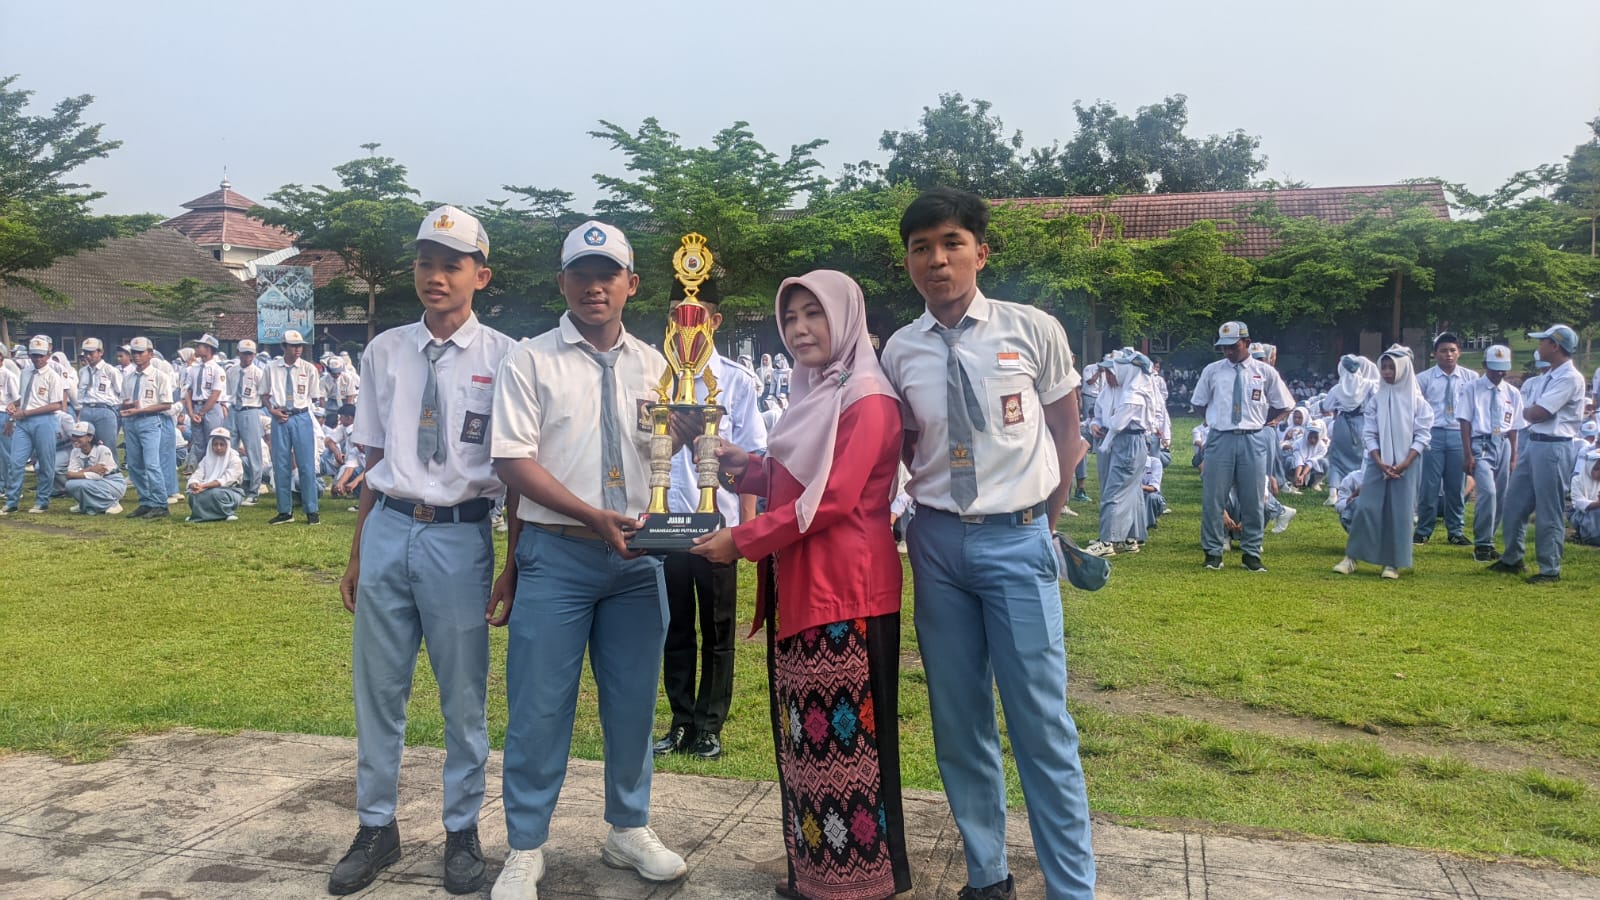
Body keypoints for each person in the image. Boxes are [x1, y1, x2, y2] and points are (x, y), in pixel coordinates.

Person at [880, 188, 1093, 900]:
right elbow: (903, 445)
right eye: (921, 248)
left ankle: (1071, 888)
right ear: (909, 261)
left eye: (951, 243)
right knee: (959, 720)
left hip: (1018, 538)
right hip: (937, 544)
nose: (936, 260)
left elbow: (1068, 435)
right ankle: (987, 876)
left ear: (981, 252)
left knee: (1041, 723)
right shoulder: (900, 350)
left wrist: (1043, 525)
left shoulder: (1032, 329)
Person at [690, 269, 911, 900]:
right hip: (804, 587)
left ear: (845, 317)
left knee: (849, 746)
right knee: (808, 742)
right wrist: (747, 468)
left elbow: (834, 499)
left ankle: (859, 883)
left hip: (847, 593)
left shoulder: (867, 398)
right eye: (789, 318)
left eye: (814, 314)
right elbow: (799, 478)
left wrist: (744, 540)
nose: (799, 329)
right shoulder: (817, 390)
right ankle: (820, 875)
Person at [490, 220, 687, 899]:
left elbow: (662, 457)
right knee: (539, 707)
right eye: (581, 274)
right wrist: (589, 514)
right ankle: (525, 845)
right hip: (558, 552)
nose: (594, 286)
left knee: (632, 703)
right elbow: (512, 461)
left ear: (632, 284)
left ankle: (628, 827)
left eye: (608, 275)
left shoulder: (659, 364)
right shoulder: (531, 359)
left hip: (638, 560)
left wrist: (691, 438)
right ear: (562, 283)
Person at [327, 206, 518, 896]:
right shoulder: (384, 351)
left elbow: (515, 473)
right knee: (378, 690)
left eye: (451, 265)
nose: (435, 277)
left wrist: (512, 563)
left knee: (463, 695)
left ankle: (462, 829)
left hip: (460, 537)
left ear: (480, 276)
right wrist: (357, 554)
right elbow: (374, 458)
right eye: (425, 263)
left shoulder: (505, 358)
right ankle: (376, 825)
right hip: (388, 528)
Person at [653, 281, 768, 762]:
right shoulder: (657, 376)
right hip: (667, 525)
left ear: (715, 321)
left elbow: (753, 457)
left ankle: (709, 725)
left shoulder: (735, 381)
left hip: (717, 527)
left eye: (695, 314)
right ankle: (680, 721)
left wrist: (744, 530)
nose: (685, 323)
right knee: (675, 628)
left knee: (719, 631)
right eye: (676, 314)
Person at [1189, 321, 1294, 572]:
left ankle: (1251, 552)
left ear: (1247, 343)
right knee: (1214, 497)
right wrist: (1214, 420)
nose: (1228, 352)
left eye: (1233, 347)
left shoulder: (1264, 372)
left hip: (1252, 437)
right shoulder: (1213, 371)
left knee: (1254, 498)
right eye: (1223, 347)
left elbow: (1284, 403)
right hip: (1221, 437)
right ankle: (1213, 552)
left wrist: (1266, 421)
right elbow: (1199, 402)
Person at [1490, 324, 1587, 584]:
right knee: (1514, 502)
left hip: (1554, 446)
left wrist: (1526, 411)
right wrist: (1528, 411)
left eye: (1543, 341)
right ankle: (1512, 558)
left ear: (1555, 346)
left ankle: (1549, 569)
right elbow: (1531, 411)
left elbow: (1538, 412)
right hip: (1534, 442)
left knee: (1549, 509)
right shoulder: (1550, 375)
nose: (1538, 345)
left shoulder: (1569, 378)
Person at [1334, 347, 1433, 579]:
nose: (1387, 372)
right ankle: (1352, 557)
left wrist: (1404, 463)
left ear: (1403, 370)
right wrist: (1378, 461)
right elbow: (1369, 433)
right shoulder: (1377, 400)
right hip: (1377, 463)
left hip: (1407, 465)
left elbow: (1422, 436)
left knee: (1400, 513)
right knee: (1366, 507)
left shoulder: (1418, 403)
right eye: (1384, 367)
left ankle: (1392, 562)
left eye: (1392, 368)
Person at [1085, 349, 1153, 558]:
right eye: (1105, 372)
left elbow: (1118, 423)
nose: (1107, 376)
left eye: (1111, 372)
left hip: (1128, 440)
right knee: (1124, 490)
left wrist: (1105, 427)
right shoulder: (1109, 390)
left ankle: (1107, 541)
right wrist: (1094, 425)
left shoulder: (1134, 394)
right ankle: (1129, 537)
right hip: (1111, 440)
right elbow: (1097, 414)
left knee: (1114, 492)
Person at [1413, 333, 1479, 545]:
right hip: (1433, 433)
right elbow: (1416, 408)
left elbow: (1475, 408)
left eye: (1452, 350)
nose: (1448, 355)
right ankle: (1423, 530)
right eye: (1443, 351)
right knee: (1429, 484)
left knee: (1456, 485)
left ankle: (1455, 531)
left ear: (1459, 352)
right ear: (1435, 354)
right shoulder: (1423, 379)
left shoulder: (1471, 377)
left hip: (1459, 433)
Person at [1459, 344, 1522, 562]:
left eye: (1503, 369)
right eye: (1495, 368)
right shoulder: (1472, 388)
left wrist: (1513, 457)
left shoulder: (1512, 392)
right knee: (1488, 492)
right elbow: (1465, 422)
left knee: (1501, 495)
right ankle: (1482, 543)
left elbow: (1514, 427)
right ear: (1485, 365)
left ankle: (1490, 539)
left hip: (1503, 443)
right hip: (1481, 442)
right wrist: (1468, 454)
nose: (1499, 373)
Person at [261, 329, 325, 525]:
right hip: (280, 416)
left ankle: (311, 510)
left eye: (299, 346)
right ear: (283, 347)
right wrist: (272, 410)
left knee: (306, 465)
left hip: (301, 416)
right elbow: (264, 394)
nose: (297, 349)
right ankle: (284, 511)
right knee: (281, 465)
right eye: (293, 346)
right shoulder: (271, 368)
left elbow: (314, 396)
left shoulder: (309, 368)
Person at [4, 336, 68, 515]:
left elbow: (57, 404)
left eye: (41, 355)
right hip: (24, 421)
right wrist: (15, 404)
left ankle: (42, 500)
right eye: (34, 355)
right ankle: (12, 501)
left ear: (48, 355)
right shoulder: (25, 372)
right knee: (16, 462)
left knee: (45, 463)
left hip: (44, 421)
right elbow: (26, 396)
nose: (38, 359)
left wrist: (26, 413)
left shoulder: (53, 376)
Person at [118, 336, 176, 518]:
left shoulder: (159, 376)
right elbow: (123, 401)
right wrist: (128, 406)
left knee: (152, 463)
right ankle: (145, 501)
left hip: (150, 421)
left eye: (140, 352)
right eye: (134, 352)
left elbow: (166, 404)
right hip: (132, 421)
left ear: (150, 354)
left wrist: (140, 409)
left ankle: (160, 503)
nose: (136, 356)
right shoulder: (128, 377)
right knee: (134, 465)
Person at [1320, 355, 1378, 506]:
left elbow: (1326, 406)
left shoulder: (1337, 389)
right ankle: (1359, 490)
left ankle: (1333, 493)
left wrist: (1341, 404)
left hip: (1342, 424)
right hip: (1362, 422)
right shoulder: (1368, 385)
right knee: (1361, 457)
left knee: (1337, 458)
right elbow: (1377, 400)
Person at [226, 339, 267, 505]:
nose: (247, 357)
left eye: (250, 354)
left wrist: (253, 408)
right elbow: (229, 391)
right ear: (238, 353)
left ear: (254, 355)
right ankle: (232, 484)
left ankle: (254, 490)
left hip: (250, 410)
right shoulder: (231, 371)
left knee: (253, 451)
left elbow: (264, 396)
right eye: (244, 353)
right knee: (229, 449)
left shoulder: (258, 373)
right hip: (233, 410)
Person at [184, 334, 229, 471]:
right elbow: (188, 390)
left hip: (211, 408)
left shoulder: (217, 370)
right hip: (196, 406)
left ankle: (215, 469)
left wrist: (202, 413)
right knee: (198, 442)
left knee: (214, 439)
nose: (197, 348)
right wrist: (191, 412)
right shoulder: (193, 369)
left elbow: (215, 393)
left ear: (209, 349)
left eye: (200, 346)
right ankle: (199, 469)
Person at [61, 421, 125, 515]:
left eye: (79, 436)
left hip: (113, 483)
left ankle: (112, 504)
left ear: (90, 437)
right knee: (70, 484)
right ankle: (86, 504)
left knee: (84, 484)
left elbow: (97, 476)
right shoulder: (75, 451)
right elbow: (70, 474)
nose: (75, 439)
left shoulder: (102, 449)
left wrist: (75, 473)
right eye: (73, 435)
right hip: (95, 482)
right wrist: (90, 469)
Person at [186, 426, 245, 522]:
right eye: (215, 444)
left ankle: (226, 513)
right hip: (206, 488)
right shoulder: (206, 458)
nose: (218, 447)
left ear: (227, 445)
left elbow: (226, 480)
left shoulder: (235, 459)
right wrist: (194, 484)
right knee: (193, 495)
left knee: (216, 494)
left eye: (222, 444)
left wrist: (203, 486)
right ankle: (200, 515)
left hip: (230, 490)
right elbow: (197, 474)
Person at [76, 337, 123, 454]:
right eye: (85, 353)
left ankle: (111, 466)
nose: (88, 356)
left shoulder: (110, 370)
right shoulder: (82, 371)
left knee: (107, 447)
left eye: (91, 353)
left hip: (105, 409)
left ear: (100, 352)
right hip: (86, 409)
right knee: (86, 446)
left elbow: (121, 392)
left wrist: (117, 411)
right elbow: (80, 394)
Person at [1570, 449, 1600, 545]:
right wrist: (1597, 503)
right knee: (1596, 512)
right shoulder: (1577, 480)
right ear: (1589, 467)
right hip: (1581, 514)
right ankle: (1590, 538)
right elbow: (1578, 502)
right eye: (1596, 469)